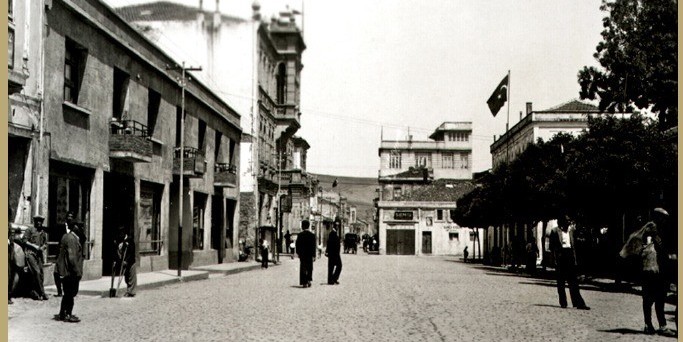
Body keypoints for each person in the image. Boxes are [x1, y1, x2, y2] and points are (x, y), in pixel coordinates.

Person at [620, 208, 676, 336]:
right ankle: (652, 325)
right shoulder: (651, 229)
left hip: (656, 269)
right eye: (662, 217)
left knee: (658, 297)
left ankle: (656, 325)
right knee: (651, 298)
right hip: (651, 268)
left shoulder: (657, 230)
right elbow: (652, 249)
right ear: (658, 217)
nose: (664, 220)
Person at [548, 214, 589, 310]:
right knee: (561, 281)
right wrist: (554, 259)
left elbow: (574, 245)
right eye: (567, 220)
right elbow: (552, 247)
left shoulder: (572, 231)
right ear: (562, 221)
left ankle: (579, 303)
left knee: (573, 281)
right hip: (561, 256)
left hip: (570, 255)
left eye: (569, 220)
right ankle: (563, 302)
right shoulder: (555, 231)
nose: (569, 222)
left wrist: (575, 259)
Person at [55, 221, 84, 323]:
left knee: (67, 293)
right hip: (69, 271)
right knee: (70, 293)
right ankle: (68, 314)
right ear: (75, 228)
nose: (82, 229)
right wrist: (77, 271)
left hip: (64, 270)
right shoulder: (72, 239)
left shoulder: (66, 236)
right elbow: (72, 257)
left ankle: (63, 313)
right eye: (80, 227)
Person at [20, 215, 49, 300]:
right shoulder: (30, 230)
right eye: (37, 220)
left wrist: (43, 247)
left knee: (41, 274)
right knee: (36, 272)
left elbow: (45, 243)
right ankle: (42, 293)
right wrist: (34, 246)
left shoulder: (43, 232)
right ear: (34, 221)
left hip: (39, 255)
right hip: (30, 254)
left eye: (40, 221)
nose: (39, 222)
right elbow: (24, 241)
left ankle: (35, 291)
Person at [54, 212, 76, 297]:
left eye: (71, 217)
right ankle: (59, 291)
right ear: (66, 218)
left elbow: (83, 238)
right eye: (68, 217)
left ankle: (70, 291)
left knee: (69, 273)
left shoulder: (75, 228)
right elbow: (54, 233)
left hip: (71, 253)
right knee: (57, 272)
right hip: (61, 253)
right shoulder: (61, 227)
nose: (70, 218)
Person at [114, 227, 136, 297]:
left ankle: (131, 292)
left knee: (131, 277)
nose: (120, 234)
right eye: (120, 233)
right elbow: (117, 252)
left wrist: (127, 261)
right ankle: (128, 290)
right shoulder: (119, 241)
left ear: (124, 233)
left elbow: (131, 253)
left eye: (122, 233)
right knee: (126, 278)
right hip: (123, 261)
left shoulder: (130, 241)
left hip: (130, 262)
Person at [295, 220, 316, 288]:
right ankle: (309, 280)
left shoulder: (300, 235)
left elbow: (297, 245)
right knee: (310, 267)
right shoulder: (312, 235)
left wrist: (298, 253)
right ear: (308, 226)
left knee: (303, 267)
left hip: (303, 254)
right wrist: (314, 255)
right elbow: (313, 246)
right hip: (309, 254)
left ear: (303, 226)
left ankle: (304, 282)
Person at [325, 221, 342, 285]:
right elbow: (329, 243)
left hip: (335, 253)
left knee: (336, 266)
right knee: (333, 267)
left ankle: (333, 279)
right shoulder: (332, 233)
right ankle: (331, 280)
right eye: (336, 225)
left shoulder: (335, 233)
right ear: (334, 226)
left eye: (338, 225)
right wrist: (327, 251)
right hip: (333, 253)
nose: (337, 227)